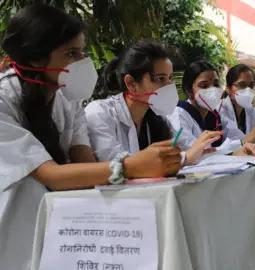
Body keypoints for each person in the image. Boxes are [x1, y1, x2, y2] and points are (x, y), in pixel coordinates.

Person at [0, 5, 182, 269]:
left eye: (82, 52)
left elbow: (81, 157)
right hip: (16, 228)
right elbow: (49, 174)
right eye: (71, 53)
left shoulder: (66, 98)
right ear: (37, 59)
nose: (82, 62)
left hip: (62, 227)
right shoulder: (4, 100)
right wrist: (129, 166)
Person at [85, 40, 221, 165]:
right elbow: (116, 166)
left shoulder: (159, 119)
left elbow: (183, 151)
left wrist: (194, 152)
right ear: (131, 83)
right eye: (160, 79)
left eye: (170, 78)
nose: (169, 86)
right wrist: (184, 158)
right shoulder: (100, 113)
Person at [169, 61, 255, 157]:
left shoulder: (214, 116)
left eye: (216, 84)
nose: (213, 90)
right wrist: (237, 147)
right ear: (189, 91)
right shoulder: (179, 114)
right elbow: (192, 153)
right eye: (204, 86)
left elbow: (232, 139)